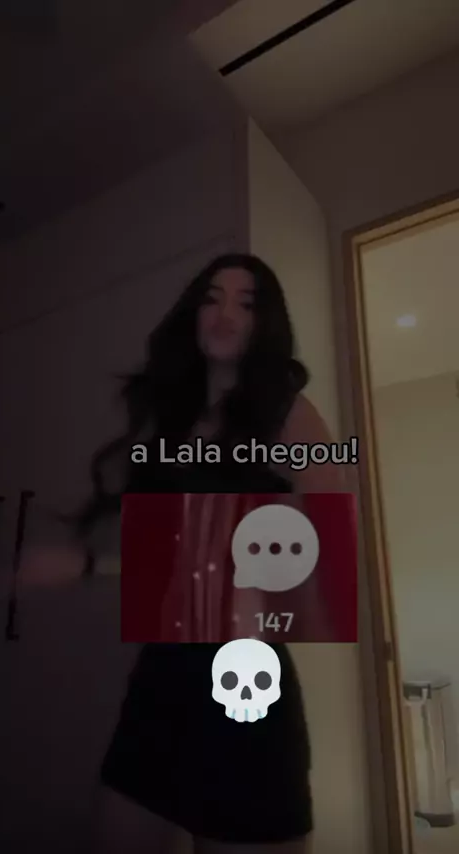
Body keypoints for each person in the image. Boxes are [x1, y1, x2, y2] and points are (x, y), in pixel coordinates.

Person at [77, 253, 345, 853]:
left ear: (262, 323)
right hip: (161, 679)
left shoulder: (285, 413)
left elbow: (330, 544)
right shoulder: (169, 424)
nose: (225, 314)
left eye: (245, 303)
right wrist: (90, 564)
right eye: (212, 298)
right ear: (193, 314)